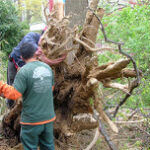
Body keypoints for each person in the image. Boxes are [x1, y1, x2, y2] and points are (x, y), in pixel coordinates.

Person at [0, 42, 56, 150]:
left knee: (30, 147)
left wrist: (1, 86)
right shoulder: (47, 68)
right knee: (48, 146)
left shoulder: (24, 71)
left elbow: (14, 94)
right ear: (35, 53)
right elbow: (51, 88)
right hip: (48, 118)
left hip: (32, 121)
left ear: (21, 57)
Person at [7, 31, 66, 108]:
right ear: (42, 36)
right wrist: (39, 51)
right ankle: (11, 108)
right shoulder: (32, 36)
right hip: (15, 62)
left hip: (28, 67)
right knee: (13, 88)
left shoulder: (44, 51)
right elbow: (28, 42)